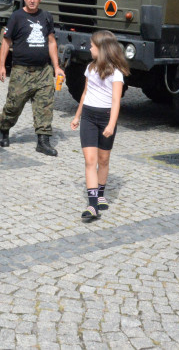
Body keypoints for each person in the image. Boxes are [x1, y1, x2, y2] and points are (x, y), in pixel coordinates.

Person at [0, 0, 65, 156]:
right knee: (14, 105)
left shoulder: (46, 16)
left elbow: (51, 42)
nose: (32, 0)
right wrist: (1, 66)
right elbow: (6, 42)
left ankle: (43, 141)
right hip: (22, 71)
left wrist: (56, 67)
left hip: (43, 71)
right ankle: (4, 128)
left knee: (45, 106)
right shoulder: (17, 16)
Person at [70, 30, 129, 222]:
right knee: (90, 160)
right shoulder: (90, 68)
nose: (89, 48)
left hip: (106, 118)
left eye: (92, 46)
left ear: (102, 49)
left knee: (103, 160)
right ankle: (93, 205)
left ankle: (100, 193)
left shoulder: (117, 73)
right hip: (88, 116)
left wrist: (111, 124)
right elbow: (85, 93)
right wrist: (77, 116)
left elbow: (116, 101)